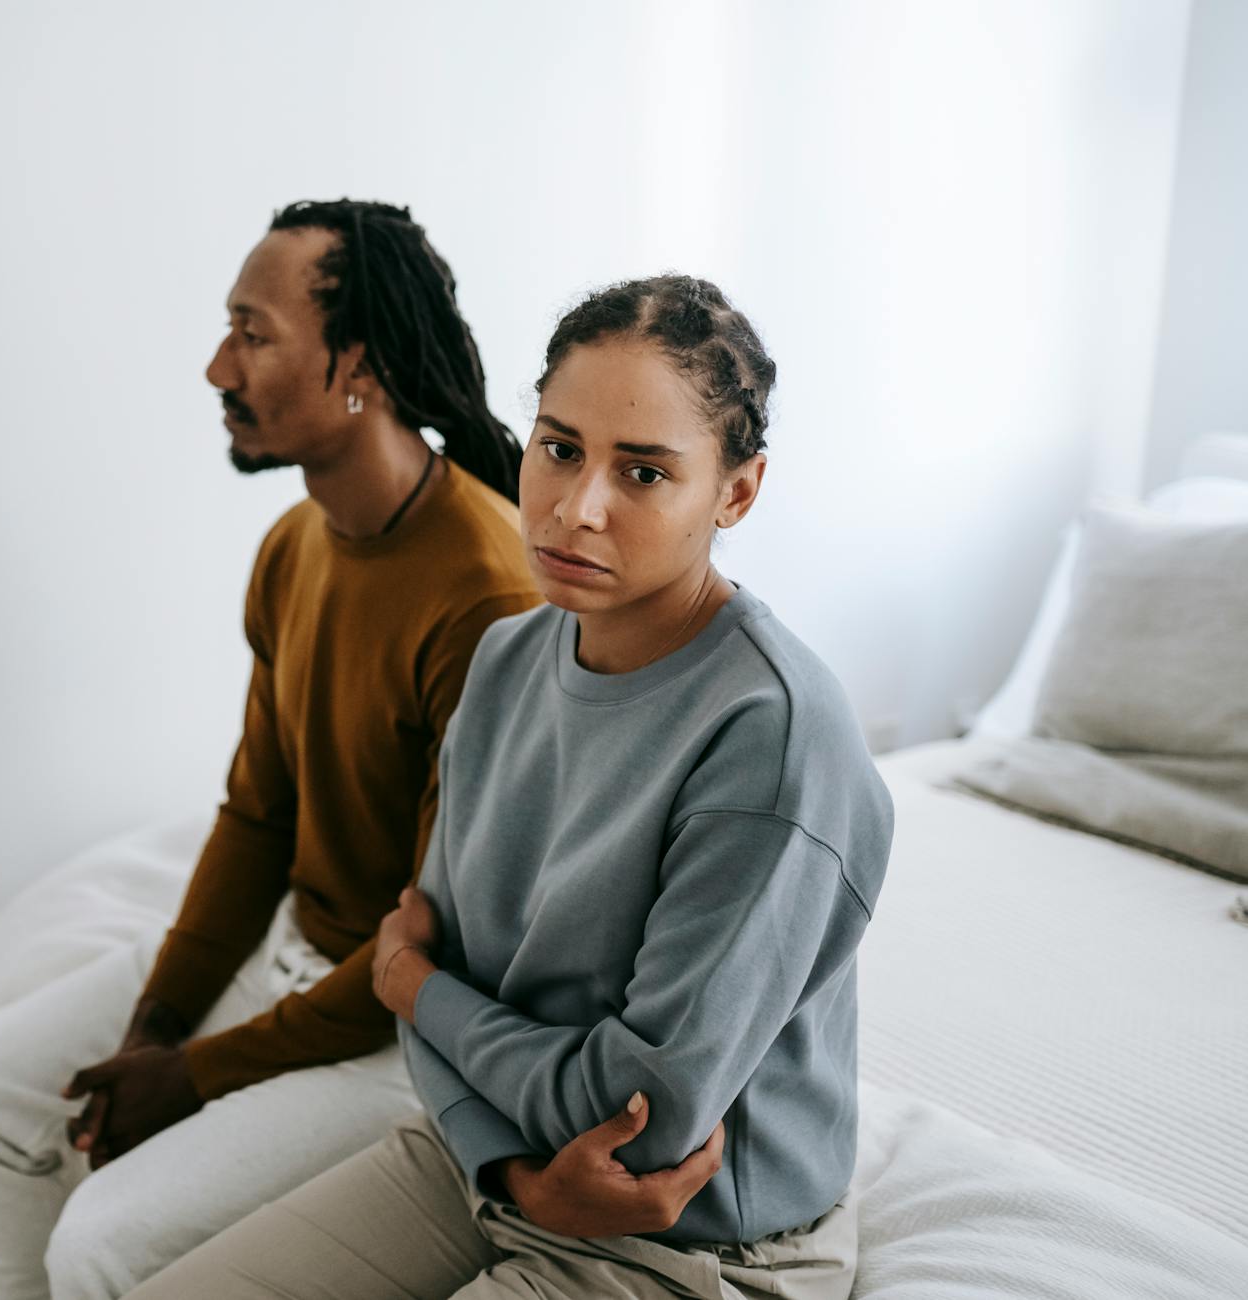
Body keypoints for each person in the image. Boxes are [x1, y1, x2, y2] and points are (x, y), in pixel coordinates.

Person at [125, 274, 896, 1300]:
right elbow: (433, 952)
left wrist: (417, 991)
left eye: (645, 473)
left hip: (694, 1240)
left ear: (736, 492)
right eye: (561, 447)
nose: (577, 509)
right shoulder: (505, 663)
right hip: (489, 1163)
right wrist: (510, 1163)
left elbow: (643, 1110)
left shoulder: (773, 739)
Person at [0, 199, 543, 1300]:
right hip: (297, 954)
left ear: (359, 365)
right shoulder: (296, 544)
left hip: (401, 1029)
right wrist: (158, 1019)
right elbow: (258, 815)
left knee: (101, 1240)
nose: (218, 366)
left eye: (253, 334)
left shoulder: (486, 596)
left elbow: (443, 943)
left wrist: (193, 1073)